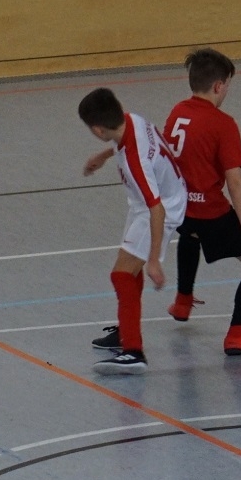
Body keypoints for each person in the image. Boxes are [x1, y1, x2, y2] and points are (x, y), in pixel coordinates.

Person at [164, 47, 241, 355]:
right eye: (227, 85)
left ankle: (183, 300)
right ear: (218, 86)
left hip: (179, 208)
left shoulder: (177, 112)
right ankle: (238, 334)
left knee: (190, 235)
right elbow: (235, 183)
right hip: (208, 210)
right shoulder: (222, 123)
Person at [78, 88, 187, 375]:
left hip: (161, 208)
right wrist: (104, 155)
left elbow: (157, 209)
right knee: (127, 270)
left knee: (122, 274)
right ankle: (127, 330)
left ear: (98, 130)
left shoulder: (135, 160)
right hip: (149, 202)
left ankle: (133, 351)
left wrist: (154, 260)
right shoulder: (131, 120)